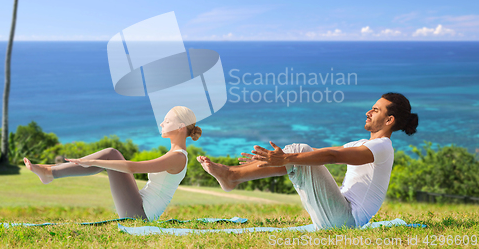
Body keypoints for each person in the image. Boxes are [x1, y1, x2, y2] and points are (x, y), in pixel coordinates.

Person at [197, 93, 418, 230]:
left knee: (299, 151)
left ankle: (232, 177)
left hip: (345, 221)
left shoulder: (381, 147)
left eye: (376, 110)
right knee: (302, 152)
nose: (368, 112)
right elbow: (323, 152)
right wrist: (274, 159)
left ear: (389, 120)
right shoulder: (364, 143)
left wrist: (285, 157)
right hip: (338, 215)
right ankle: (233, 174)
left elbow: (333, 157)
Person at [24, 106, 202, 221]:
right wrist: (94, 162)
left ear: (180, 127)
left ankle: (50, 173)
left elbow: (133, 167)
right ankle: (49, 172)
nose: (162, 123)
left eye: (167, 121)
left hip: (140, 214)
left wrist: (92, 161)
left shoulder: (178, 157)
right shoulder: (176, 154)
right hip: (140, 205)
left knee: (111, 154)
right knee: (111, 154)